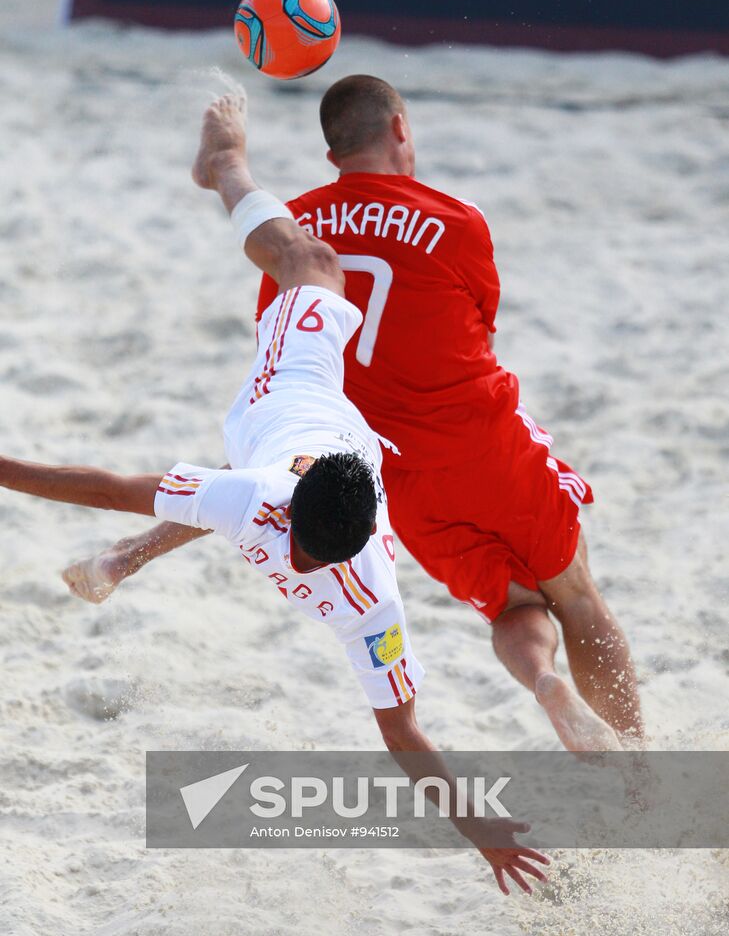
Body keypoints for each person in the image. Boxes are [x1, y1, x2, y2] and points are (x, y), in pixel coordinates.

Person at [1, 94, 550, 896]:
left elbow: (404, 736)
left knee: (310, 262)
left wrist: (479, 833)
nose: (281, 546)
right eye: (287, 534)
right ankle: (124, 559)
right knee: (310, 279)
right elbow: (102, 485)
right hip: (287, 409)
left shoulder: (342, 577)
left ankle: (224, 167)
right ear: (301, 499)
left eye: (293, 544)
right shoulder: (330, 564)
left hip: (274, 420)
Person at [64, 77, 643, 752]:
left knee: (511, 604)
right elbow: (482, 326)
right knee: (574, 594)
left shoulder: (300, 225)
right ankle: (640, 783)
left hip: (385, 470)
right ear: (399, 129)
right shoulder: (457, 219)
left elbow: (288, 347)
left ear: (331, 148)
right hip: (482, 441)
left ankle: (542, 677)